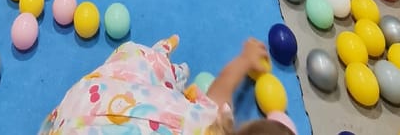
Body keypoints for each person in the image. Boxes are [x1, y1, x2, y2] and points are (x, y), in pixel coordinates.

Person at [38, 34, 290, 134]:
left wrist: (245, 59)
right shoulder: (208, 122)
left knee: (140, 65)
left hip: (80, 101)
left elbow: (219, 91)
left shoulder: (206, 121)